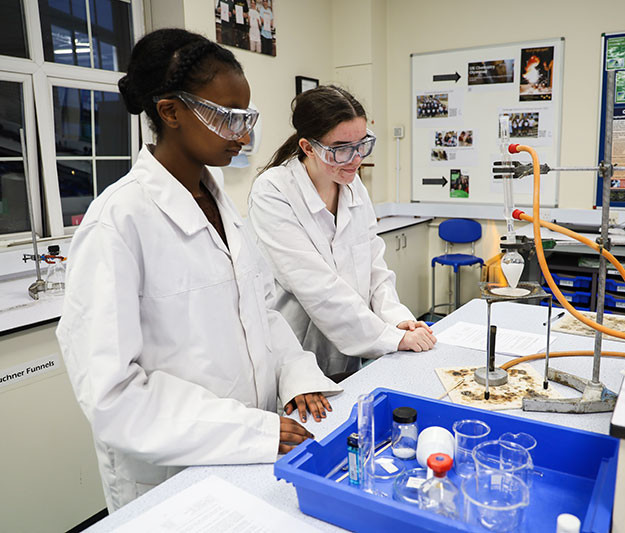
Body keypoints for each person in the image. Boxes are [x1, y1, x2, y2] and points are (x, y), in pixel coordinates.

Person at [56, 29, 341, 512]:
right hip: (172, 476)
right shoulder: (119, 222)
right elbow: (113, 396)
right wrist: (251, 430)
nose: (244, 135)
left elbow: (261, 311)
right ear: (170, 112)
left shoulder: (220, 202)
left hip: (250, 453)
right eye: (227, 117)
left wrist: (296, 374)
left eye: (246, 117)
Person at [248, 86, 437, 380]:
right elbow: (317, 287)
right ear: (308, 147)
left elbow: (374, 267)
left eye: (362, 144)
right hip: (295, 356)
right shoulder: (273, 191)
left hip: (347, 354)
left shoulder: (351, 184)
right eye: (341, 149)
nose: (355, 159)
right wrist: (389, 338)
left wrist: (397, 320)